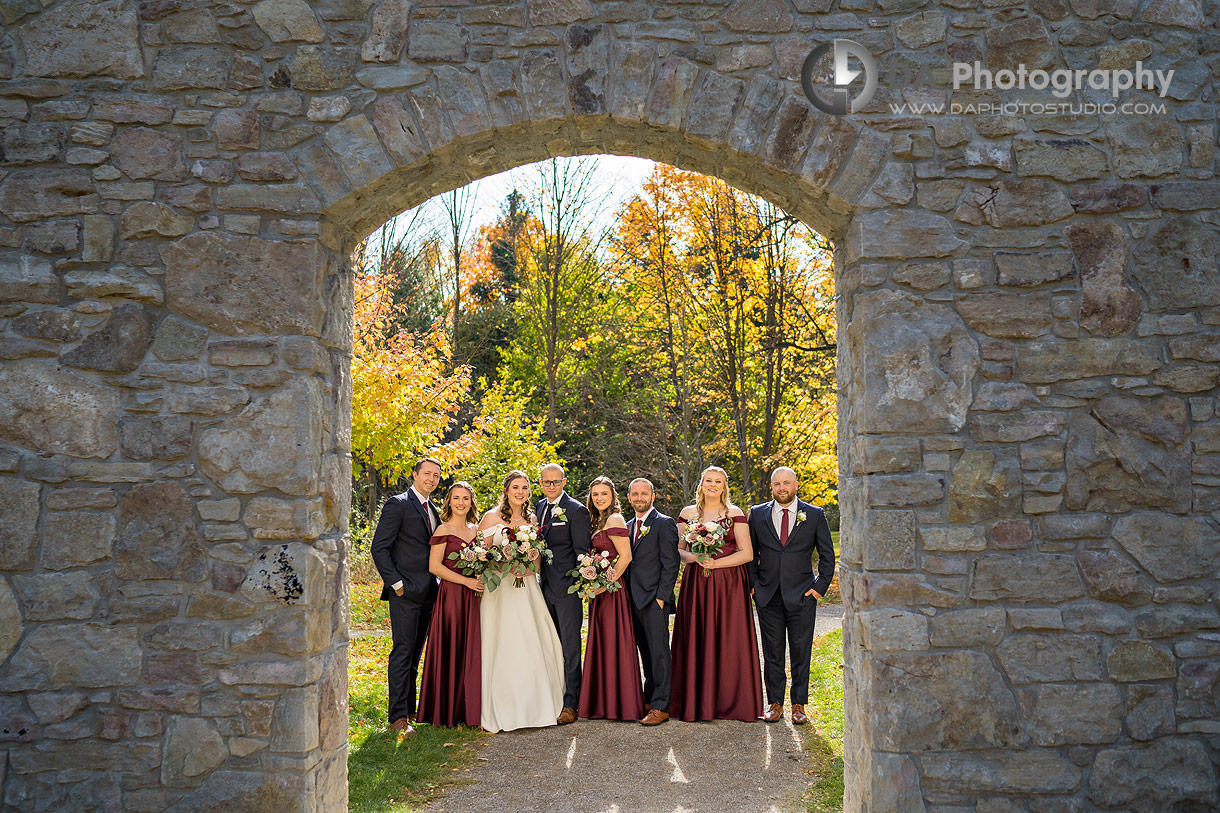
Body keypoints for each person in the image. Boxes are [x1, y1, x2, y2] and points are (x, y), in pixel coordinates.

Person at [669, 465, 763, 722]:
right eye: (708, 480)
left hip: (728, 584)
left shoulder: (735, 514)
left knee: (728, 638)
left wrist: (715, 563)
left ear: (724, 486)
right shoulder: (687, 514)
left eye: (718, 481)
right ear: (701, 484)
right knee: (696, 635)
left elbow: (747, 553)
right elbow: (677, 549)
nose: (713, 485)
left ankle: (728, 702)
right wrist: (695, 557)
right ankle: (695, 701)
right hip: (696, 583)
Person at [478, 470, 565, 732]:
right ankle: (500, 706)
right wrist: (503, 562)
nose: (521, 492)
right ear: (506, 490)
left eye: (525, 488)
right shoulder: (491, 517)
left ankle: (535, 706)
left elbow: (537, 557)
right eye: (516, 487)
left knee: (531, 640)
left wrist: (529, 564)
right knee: (501, 640)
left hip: (526, 585)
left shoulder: (532, 518)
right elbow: (480, 554)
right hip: (500, 589)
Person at [748, 467, 836, 725]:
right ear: (771, 487)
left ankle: (799, 704)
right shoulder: (757, 514)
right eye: (777, 484)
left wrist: (818, 589)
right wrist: (754, 585)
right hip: (768, 596)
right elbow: (751, 554)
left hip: (802, 595)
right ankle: (775, 703)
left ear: (796, 485)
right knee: (772, 652)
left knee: (801, 652)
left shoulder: (815, 514)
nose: (782, 488)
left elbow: (827, 557)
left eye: (786, 483)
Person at [370, 457, 443, 735]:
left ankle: (410, 710)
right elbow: (379, 548)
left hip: (428, 593)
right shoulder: (398, 504)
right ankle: (397, 717)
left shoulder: (432, 509)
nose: (432, 479)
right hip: (405, 592)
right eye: (427, 473)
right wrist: (396, 584)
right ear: (415, 474)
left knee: (414, 654)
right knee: (402, 652)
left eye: (436, 475)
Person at [576, 477, 645, 722]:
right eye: (595, 494)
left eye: (604, 494)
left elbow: (625, 557)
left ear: (612, 496)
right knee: (602, 642)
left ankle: (620, 704)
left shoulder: (615, 519)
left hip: (613, 592)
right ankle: (603, 702)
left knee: (615, 642)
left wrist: (605, 584)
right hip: (600, 591)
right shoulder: (596, 521)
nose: (599, 498)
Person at [417, 482, 485, 728]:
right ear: (449, 501)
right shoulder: (442, 530)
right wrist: (466, 581)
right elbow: (434, 567)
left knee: (472, 650)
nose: (461, 502)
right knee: (452, 646)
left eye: (465, 498)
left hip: (475, 597)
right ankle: (445, 710)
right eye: (456, 498)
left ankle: (470, 709)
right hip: (452, 597)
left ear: (471, 502)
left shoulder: (477, 530)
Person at [536, 462, 592, 725]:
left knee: (570, 647)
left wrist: (579, 586)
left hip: (567, 590)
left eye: (556, 482)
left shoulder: (576, 510)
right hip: (541, 589)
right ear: (541, 483)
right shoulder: (538, 507)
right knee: (549, 645)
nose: (551, 486)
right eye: (547, 482)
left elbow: (581, 551)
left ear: (564, 482)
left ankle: (571, 703)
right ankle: (552, 698)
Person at [625, 477, 680, 726]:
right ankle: (649, 699)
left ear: (653, 496)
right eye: (635, 494)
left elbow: (671, 563)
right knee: (644, 653)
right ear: (628, 498)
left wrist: (661, 598)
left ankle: (661, 706)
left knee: (659, 654)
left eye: (644, 494)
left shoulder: (664, 523)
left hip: (654, 600)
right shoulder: (626, 526)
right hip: (632, 600)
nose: (639, 498)